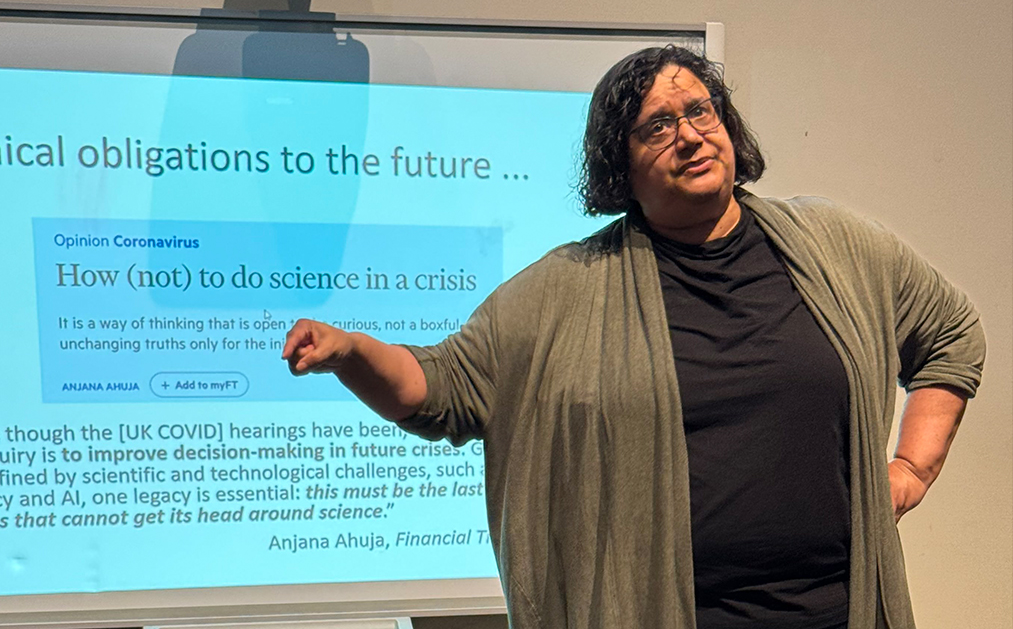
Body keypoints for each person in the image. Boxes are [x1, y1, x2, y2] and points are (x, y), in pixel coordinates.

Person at [282, 45, 984, 629]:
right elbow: (439, 390)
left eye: (699, 111)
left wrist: (910, 471)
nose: (689, 134)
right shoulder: (564, 289)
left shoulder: (836, 247)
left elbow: (949, 334)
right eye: (657, 125)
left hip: (837, 609)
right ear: (618, 165)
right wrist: (350, 352)